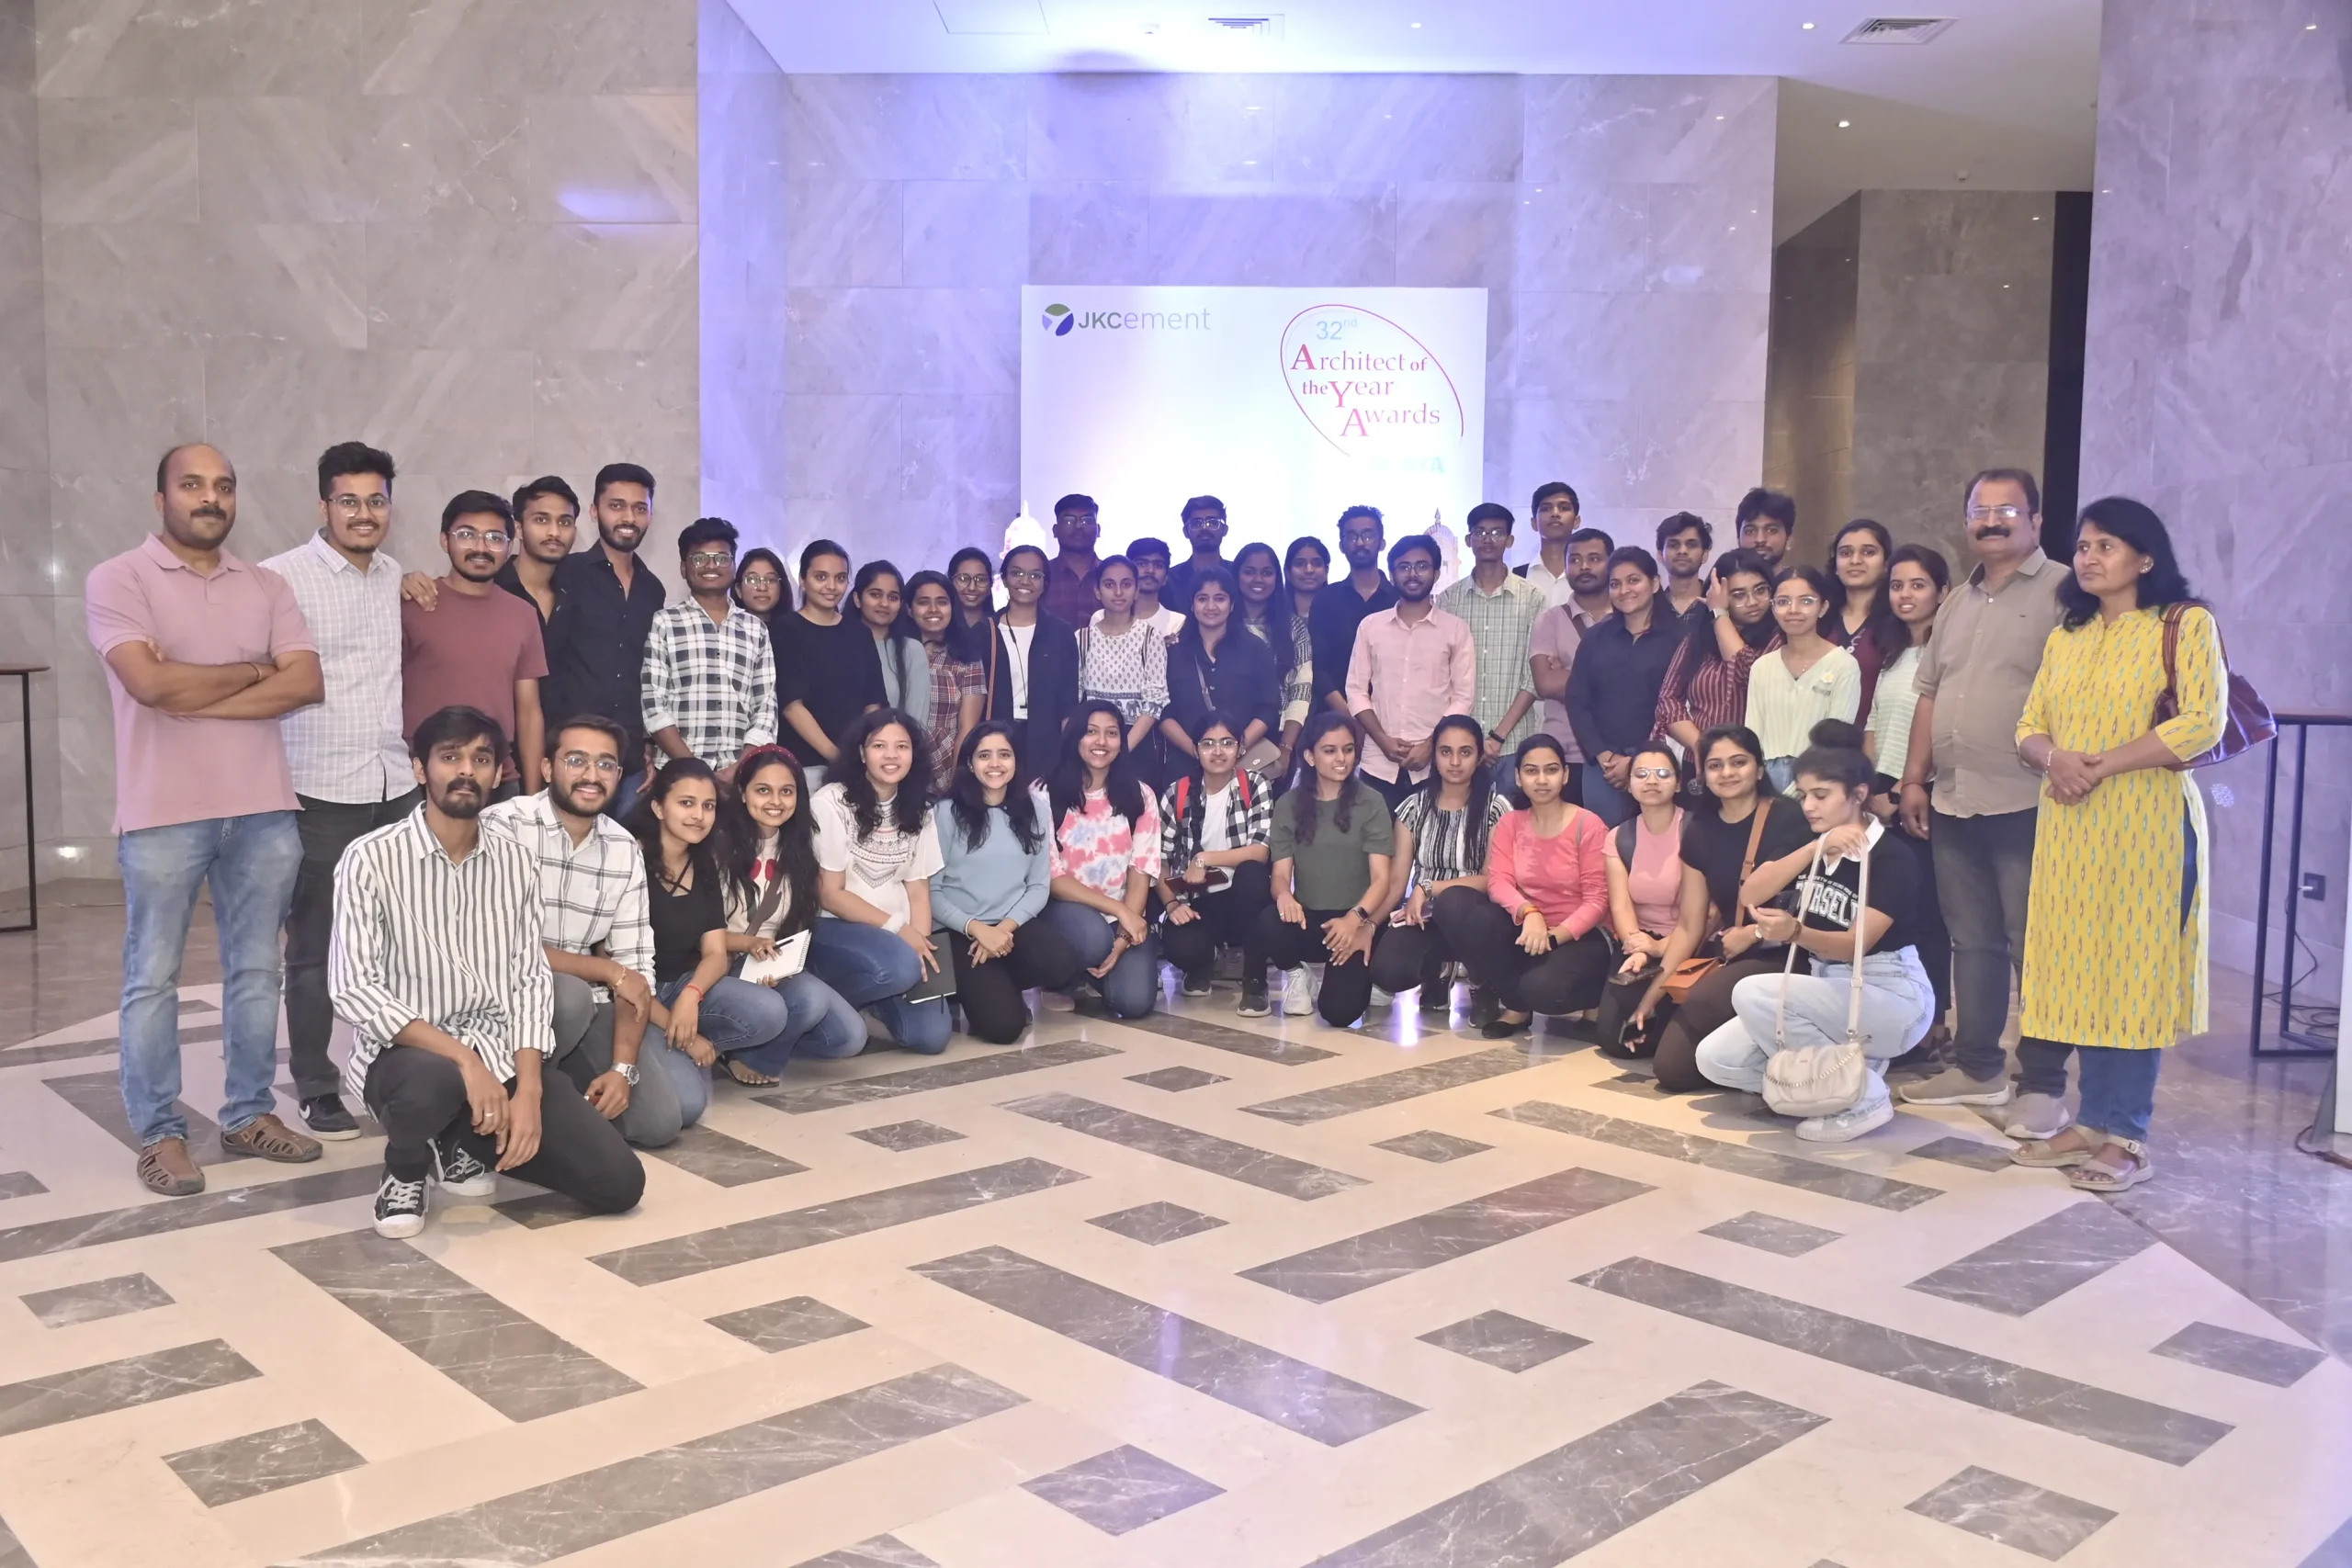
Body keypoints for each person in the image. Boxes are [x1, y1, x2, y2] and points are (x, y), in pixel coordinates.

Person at [89, 443, 325, 1194]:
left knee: (257, 971)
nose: (210, 498)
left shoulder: (267, 585)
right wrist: (256, 670)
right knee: (152, 978)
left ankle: (249, 1113)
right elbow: (150, 683)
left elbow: (306, 682)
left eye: (222, 485)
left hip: (262, 811)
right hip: (162, 813)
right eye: (192, 484)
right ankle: (160, 1133)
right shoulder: (118, 577)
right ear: (161, 498)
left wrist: (194, 691)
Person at [333, 706, 644, 1235]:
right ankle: (406, 1169)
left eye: (480, 759)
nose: (466, 771)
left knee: (619, 1184)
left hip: (498, 1051)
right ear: (419, 768)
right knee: (431, 1083)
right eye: (449, 757)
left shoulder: (515, 861)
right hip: (407, 1057)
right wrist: (465, 1060)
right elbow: (354, 989)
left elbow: (529, 981)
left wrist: (530, 1091)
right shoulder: (370, 859)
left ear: (499, 773)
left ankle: (462, 1139)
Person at [2006, 500, 2222, 1190]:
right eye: (2084, 546)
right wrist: (2054, 758)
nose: (2089, 557)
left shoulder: (2185, 624)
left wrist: (2097, 765)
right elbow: (2029, 726)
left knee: (2134, 973)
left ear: (2146, 557)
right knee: (2080, 969)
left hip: (2147, 825)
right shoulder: (2067, 635)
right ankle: (2091, 1121)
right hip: (2071, 829)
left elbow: (2201, 723)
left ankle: (2126, 1134)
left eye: (2106, 545)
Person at [1896, 468, 2068, 1111]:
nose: (1991, 522)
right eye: (1980, 510)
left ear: (2037, 520)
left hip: (2030, 800)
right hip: (1953, 798)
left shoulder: (2065, 593)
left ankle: (2043, 1082)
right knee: (1971, 942)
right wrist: (1914, 777)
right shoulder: (1957, 602)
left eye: (2007, 510)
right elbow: (1929, 694)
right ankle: (1977, 1069)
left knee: (2034, 946)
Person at [261, 439, 412, 1142]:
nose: (363, 513)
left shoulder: (394, 575)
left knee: (404, 941)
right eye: (348, 500)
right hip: (318, 787)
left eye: (376, 500)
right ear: (324, 505)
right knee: (315, 946)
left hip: (395, 782)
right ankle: (318, 1086)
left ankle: (394, 1071)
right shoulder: (279, 578)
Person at [1692, 720, 1935, 1142]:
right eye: (1803, 795)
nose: (1808, 806)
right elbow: (1751, 892)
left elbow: (1853, 946)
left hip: (1890, 994)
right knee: (1715, 1059)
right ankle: (1838, 1079)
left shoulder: (1892, 856)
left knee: (1753, 992)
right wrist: (1813, 849)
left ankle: (1864, 1096)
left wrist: (1795, 932)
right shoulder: (1810, 838)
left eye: (1821, 795)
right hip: (1826, 989)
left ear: (1857, 794)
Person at [481, 717, 698, 1148]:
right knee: (568, 995)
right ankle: (517, 1093)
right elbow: (504, 945)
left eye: (605, 764)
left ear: (619, 775)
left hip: (588, 1006)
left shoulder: (623, 848)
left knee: (664, 1120)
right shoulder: (504, 825)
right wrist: (605, 970)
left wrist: (622, 1069)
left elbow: (635, 967)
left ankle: (563, 1088)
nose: (591, 775)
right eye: (576, 761)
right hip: (500, 999)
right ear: (547, 768)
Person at [1647, 726, 1814, 1092]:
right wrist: (1652, 995)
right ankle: (1752, 1041)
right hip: (1732, 954)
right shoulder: (1700, 828)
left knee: (1702, 1002)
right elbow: (1690, 925)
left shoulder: (1790, 817)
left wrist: (1754, 931)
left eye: (1738, 762)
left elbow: (1811, 903)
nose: (1727, 773)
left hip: (1790, 952)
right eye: (1715, 765)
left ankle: (1799, 1058)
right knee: (1670, 1068)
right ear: (1703, 774)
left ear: (1759, 768)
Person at [1434, 733, 1611, 1037]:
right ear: (1518, 777)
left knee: (1542, 990)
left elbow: (1597, 901)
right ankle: (1517, 1008)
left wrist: (1552, 937)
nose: (1541, 780)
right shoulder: (1511, 823)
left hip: (1581, 934)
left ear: (1565, 775)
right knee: (1458, 906)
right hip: (1529, 930)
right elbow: (1498, 882)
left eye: (1551, 770)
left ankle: (1594, 1002)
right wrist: (1529, 912)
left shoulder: (1589, 825)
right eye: (1531, 771)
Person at [712, 747, 866, 1083]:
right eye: (763, 790)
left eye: (786, 791)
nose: (775, 801)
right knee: (810, 999)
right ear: (742, 793)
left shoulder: (799, 845)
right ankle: (747, 1056)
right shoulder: (716, 845)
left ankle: (762, 1034)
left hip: (770, 960)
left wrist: (783, 965)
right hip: (722, 959)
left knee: (848, 1038)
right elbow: (695, 931)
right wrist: (748, 945)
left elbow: (796, 922)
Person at [807, 707, 955, 1052]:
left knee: (932, 1038)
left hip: (896, 940)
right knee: (899, 966)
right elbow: (830, 895)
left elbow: (919, 891)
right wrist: (899, 932)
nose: (891, 756)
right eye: (879, 746)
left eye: (902, 747)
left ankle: (876, 997)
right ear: (862, 753)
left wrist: (920, 944)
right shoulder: (830, 803)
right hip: (835, 927)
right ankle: (832, 1006)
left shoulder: (920, 808)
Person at [931, 723, 1085, 1043]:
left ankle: (997, 983)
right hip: (959, 930)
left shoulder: (1035, 808)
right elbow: (931, 892)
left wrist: (1002, 930)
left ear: (1016, 761)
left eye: (1004, 755)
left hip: (1009, 925)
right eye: (984, 756)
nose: (995, 764)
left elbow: (1039, 886)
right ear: (970, 763)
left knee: (1063, 963)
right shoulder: (944, 813)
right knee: (1004, 1029)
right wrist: (979, 930)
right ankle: (971, 990)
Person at [401, 491, 548, 801]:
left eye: (495, 538)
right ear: (445, 540)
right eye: (467, 535)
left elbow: (528, 711)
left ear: (510, 546)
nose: (481, 548)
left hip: (498, 779)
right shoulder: (413, 604)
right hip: (423, 779)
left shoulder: (523, 614)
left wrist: (533, 797)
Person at [1865, 544, 1952, 1059]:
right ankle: (1903, 1023)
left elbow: (1943, 730)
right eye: (1897, 585)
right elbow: (1875, 724)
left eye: (1918, 585)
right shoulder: (1893, 653)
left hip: (1923, 794)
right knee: (1895, 914)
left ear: (1942, 592)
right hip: (1884, 794)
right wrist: (1873, 791)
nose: (1905, 595)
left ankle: (1935, 1025)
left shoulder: (1947, 654)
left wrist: (1902, 792)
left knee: (1929, 917)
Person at [544, 462, 665, 816]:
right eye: (617, 506)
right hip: (571, 757)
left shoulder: (653, 589)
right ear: (595, 511)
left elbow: (650, 674)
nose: (628, 517)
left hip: (630, 764)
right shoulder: (566, 573)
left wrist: (648, 746)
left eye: (639, 508)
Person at [1368, 714, 1508, 1019]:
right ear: (1434, 756)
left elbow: (1491, 880)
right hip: (1425, 915)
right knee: (1388, 972)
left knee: (1453, 902)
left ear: (1479, 757)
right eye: (1446, 752)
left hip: (1479, 917)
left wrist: (1430, 887)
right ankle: (1439, 970)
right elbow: (1396, 884)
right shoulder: (1413, 807)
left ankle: (1483, 982)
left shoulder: (1497, 809)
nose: (1455, 762)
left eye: (1465, 752)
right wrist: (1369, 925)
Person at [1261, 713, 1396, 1025]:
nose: (1341, 759)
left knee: (1338, 1013)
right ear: (1310, 756)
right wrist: (1284, 896)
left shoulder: (1372, 802)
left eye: (1348, 750)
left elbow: (1382, 879)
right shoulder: (1288, 804)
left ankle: (1368, 976)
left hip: (1356, 920)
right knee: (1268, 920)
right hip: (1310, 919)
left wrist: (1355, 919)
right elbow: (1280, 875)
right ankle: (1298, 973)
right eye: (1330, 750)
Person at [1040, 702, 1165, 1020]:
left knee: (1135, 1003)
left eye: (1111, 734)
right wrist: (1121, 911)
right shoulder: (1043, 794)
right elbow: (1052, 878)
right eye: (1091, 732)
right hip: (1063, 910)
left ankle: (1093, 971)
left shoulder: (1141, 795)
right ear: (1075, 738)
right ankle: (1061, 978)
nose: (1101, 742)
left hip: (1119, 917)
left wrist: (1124, 935)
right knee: (1094, 939)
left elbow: (1140, 871)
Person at [1155, 709, 1275, 1014]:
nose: (1218, 751)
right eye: (1208, 744)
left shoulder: (1255, 785)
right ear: (1195, 750)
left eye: (1227, 743)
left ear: (1240, 748)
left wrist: (1204, 859)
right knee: (1181, 946)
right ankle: (1203, 962)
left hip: (1243, 899)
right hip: (1198, 902)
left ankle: (1255, 981)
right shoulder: (1177, 793)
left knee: (1252, 874)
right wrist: (1172, 904)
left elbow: (1260, 851)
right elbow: (1159, 862)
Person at [640, 516, 776, 784]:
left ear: (734, 567)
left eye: (722, 558)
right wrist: (696, 770)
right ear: (684, 568)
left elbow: (766, 708)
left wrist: (739, 769)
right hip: (677, 773)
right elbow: (654, 706)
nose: (711, 565)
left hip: (739, 776)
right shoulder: (665, 622)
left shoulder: (755, 629)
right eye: (699, 558)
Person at [1346, 535, 1476, 809]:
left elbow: (1463, 697)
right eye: (1404, 567)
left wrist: (1432, 744)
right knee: (1377, 837)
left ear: (1436, 573)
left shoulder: (1455, 629)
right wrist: (1382, 740)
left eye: (1422, 566)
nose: (1413, 574)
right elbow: (1356, 690)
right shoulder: (1370, 626)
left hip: (1436, 766)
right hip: (1378, 763)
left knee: (1432, 836)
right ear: (1392, 574)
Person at [1565, 547, 1680, 826]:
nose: (1624, 590)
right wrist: (1605, 756)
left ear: (1654, 584)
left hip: (1659, 761)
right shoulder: (1596, 637)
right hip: (1604, 765)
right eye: (1615, 584)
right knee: (1602, 841)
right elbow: (1577, 699)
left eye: (1633, 580)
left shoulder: (1679, 637)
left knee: (1659, 838)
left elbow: (1680, 703)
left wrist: (1637, 761)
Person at [1594, 742, 1688, 1053]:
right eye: (1642, 774)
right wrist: (1638, 947)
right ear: (1629, 784)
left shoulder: (1695, 830)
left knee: (1665, 1038)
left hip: (1689, 942)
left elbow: (1708, 914)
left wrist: (1661, 947)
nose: (1652, 781)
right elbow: (1620, 904)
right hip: (1641, 941)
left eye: (1663, 773)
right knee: (1613, 1040)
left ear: (1678, 782)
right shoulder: (1619, 837)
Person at [774, 538, 886, 785]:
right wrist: (838, 758)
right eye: (821, 577)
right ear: (803, 580)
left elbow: (873, 703)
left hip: (858, 765)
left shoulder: (860, 633)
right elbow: (792, 706)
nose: (831, 586)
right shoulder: (785, 629)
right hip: (803, 766)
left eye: (840, 578)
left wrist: (861, 755)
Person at [1437, 502, 1544, 760]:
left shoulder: (1532, 598)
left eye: (1497, 533)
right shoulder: (1448, 600)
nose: (1488, 539)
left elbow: (1533, 677)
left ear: (1509, 540)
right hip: (1461, 746)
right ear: (1468, 540)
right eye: (1480, 532)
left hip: (1514, 743)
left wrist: (1497, 737)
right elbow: (1441, 675)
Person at [1747, 564, 1862, 792]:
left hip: (1819, 780)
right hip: (1765, 782)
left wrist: (1797, 793)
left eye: (1806, 601)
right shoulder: (1762, 667)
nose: (1793, 610)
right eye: (1783, 601)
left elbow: (1836, 742)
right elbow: (1752, 737)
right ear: (1773, 608)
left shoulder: (1843, 665)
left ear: (1823, 607)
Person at [1655, 547, 1779, 760]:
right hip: (1699, 759)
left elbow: (1747, 675)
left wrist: (1720, 614)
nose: (1752, 602)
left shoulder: (1779, 639)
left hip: (1752, 761)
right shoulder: (1698, 639)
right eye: (1738, 595)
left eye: (1760, 590)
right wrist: (1702, 747)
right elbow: (1668, 699)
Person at [1162, 565, 1282, 773]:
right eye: (1202, 599)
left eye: (1219, 598)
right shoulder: (1172, 653)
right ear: (1191, 604)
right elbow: (1163, 711)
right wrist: (1196, 751)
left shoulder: (1255, 649)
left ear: (1232, 604)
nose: (1211, 606)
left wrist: (1235, 748)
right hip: (1185, 766)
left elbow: (1268, 709)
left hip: (1243, 765)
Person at [984, 544, 1082, 773]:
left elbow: (1068, 702)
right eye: (1016, 573)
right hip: (996, 740)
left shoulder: (1061, 632)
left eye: (1035, 575)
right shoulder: (985, 631)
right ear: (1004, 579)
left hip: (1048, 744)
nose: (1025, 581)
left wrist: (1069, 758)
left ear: (1045, 583)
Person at [1308, 506, 1398, 718]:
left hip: (1393, 717)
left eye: (1367, 535)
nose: (1359, 543)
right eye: (1351, 536)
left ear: (1382, 543)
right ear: (1342, 546)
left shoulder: (1399, 599)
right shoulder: (1325, 599)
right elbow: (1319, 669)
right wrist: (1352, 716)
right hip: (1337, 719)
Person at [1234, 540, 1314, 776]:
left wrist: (1286, 746)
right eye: (1249, 571)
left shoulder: (1293, 628)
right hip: (1225, 737)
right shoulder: (1221, 626)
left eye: (1267, 573)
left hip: (1277, 741)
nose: (1258, 579)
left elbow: (1301, 690)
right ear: (1236, 575)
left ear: (1277, 579)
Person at [904, 569, 989, 791]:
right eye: (923, 602)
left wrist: (953, 784)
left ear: (953, 607)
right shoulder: (895, 652)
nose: (933, 609)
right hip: (896, 761)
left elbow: (967, 729)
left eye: (942, 602)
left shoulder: (967, 658)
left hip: (944, 769)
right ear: (909, 609)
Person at [1078, 555, 1169, 753]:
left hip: (1137, 743)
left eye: (1126, 584)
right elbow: (1074, 698)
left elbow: (1154, 701)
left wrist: (1122, 748)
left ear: (1136, 591)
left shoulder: (1150, 637)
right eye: (1109, 585)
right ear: (1097, 591)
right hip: (1092, 740)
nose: (1118, 592)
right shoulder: (1082, 638)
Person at [1826, 518, 1899, 726]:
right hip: (1815, 740)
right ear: (1835, 566)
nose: (1855, 560)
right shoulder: (1819, 619)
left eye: (1868, 552)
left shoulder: (1898, 623)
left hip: (1876, 738)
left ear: (1886, 564)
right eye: (1846, 553)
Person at [500, 475, 578, 634]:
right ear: (518, 529)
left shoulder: (577, 591)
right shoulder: (493, 588)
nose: (554, 532)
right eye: (541, 520)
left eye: (564, 522)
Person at [853, 559, 930, 720]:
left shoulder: (911, 649)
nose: (884, 603)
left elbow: (917, 721)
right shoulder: (839, 644)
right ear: (857, 599)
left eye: (893, 597)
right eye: (875, 595)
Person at [1517, 483, 1601, 612]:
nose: (1555, 513)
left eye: (1563, 508)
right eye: (1546, 508)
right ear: (1534, 523)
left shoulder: (1593, 577)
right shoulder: (1516, 578)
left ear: (1576, 521)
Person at [1041, 493, 1104, 626]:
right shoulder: (1041, 574)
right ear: (1055, 530)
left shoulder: (1112, 576)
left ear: (1098, 530)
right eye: (1069, 521)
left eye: (1087, 521)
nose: (1078, 527)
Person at [1163, 494, 1230, 612]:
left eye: (1212, 523)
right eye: (1196, 523)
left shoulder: (1237, 574)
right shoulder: (1168, 580)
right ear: (1186, 532)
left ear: (1224, 530)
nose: (1204, 528)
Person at [1124, 536, 1187, 640]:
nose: (1150, 570)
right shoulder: (1103, 617)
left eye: (1158, 565)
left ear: (1166, 577)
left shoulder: (1177, 622)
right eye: (1141, 564)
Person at [1656, 512, 1714, 622]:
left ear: (1705, 555)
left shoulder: (1718, 604)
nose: (1682, 551)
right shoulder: (1650, 608)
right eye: (1673, 545)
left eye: (1691, 545)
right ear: (1660, 555)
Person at [1735, 487, 1795, 571]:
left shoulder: (1802, 579)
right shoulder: (1721, 579)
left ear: (1789, 539)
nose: (1760, 540)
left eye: (1771, 530)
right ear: (1738, 539)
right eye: (1750, 531)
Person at [732, 547, 793, 626]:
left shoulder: (794, 629)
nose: (762, 588)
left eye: (771, 580)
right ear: (739, 590)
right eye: (753, 579)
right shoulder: (728, 629)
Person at [948, 547, 998, 637]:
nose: (972, 588)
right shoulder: (939, 628)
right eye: (963, 579)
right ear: (950, 581)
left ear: (990, 584)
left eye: (980, 579)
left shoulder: (1001, 629)